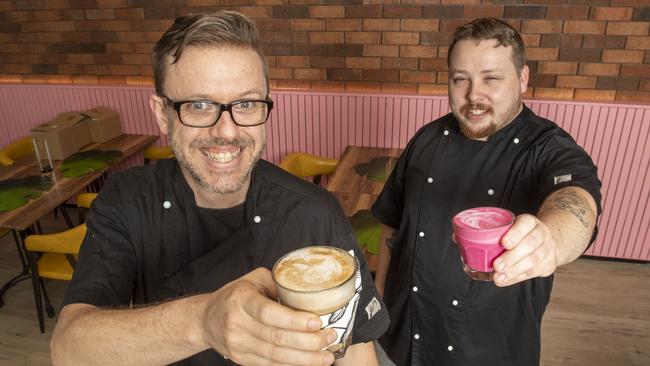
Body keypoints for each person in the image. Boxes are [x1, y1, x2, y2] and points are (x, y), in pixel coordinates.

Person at [50, 10, 388, 366]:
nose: (227, 131)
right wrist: (203, 321)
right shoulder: (128, 200)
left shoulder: (315, 212)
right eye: (199, 105)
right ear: (162, 113)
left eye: (245, 104)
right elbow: (68, 349)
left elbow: (356, 352)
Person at [371, 18, 601, 366]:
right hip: (400, 337)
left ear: (523, 78)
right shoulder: (427, 139)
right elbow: (391, 228)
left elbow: (575, 201)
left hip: (487, 351)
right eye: (460, 79)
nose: (473, 95)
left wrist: (549, 238)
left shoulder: (547, 147)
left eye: (491, 79)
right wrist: (380, 299)